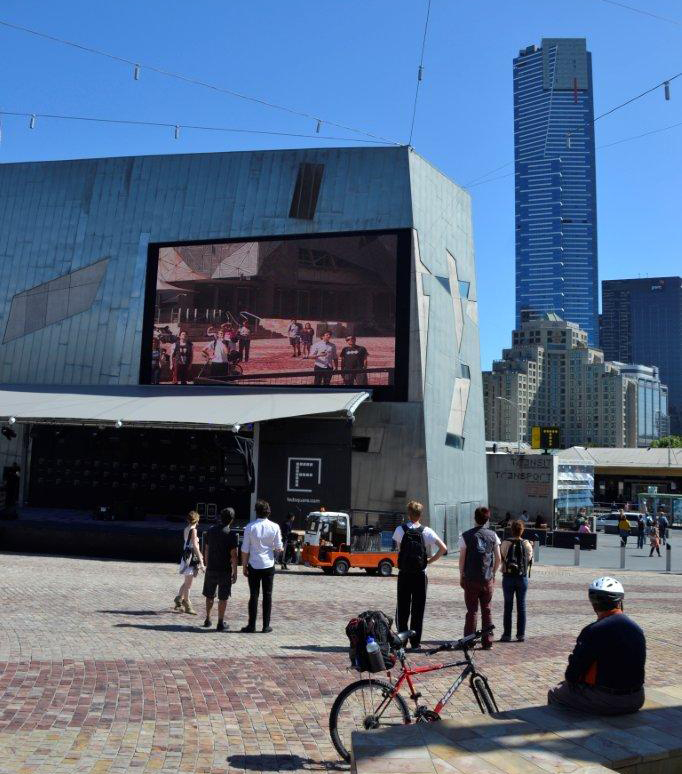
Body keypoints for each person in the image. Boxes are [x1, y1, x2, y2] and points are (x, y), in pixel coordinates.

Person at [548, 577, 646, 715]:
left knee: (555, 692)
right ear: (619, 602)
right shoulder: (636, 628)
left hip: (608, 700)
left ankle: (566, 730)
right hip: (637, 698)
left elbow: (572, 674)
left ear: (594, 604)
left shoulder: (593, 631)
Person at [392, 501, 447, 650]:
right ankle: (415, 643)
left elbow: (398, 549)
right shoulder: (426, 531)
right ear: (420, 515)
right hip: (420, 575)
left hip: (404, 573)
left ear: (409, 514)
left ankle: (402, 641)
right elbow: (443, 548)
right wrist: (429, 561)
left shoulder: (400, 530)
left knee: (403, 608)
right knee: (418, 608)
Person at [459, 507, 501, 650]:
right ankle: (487, 641)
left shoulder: (465, 536)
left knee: (472, 610)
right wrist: (493, 573)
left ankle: (469, 641)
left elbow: (462, 560)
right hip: (487, 579)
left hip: (471, 578)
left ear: (474, 518)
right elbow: (499, 558)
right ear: (487, 519)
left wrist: (462, 575)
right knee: (487, 609)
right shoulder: (493, 536)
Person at [241, 499, 283, 633]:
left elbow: (245, 549)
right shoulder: (275, 527)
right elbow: (278, 548)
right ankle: (266, 625)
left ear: (256, 512)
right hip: (268, 565)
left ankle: (251, 625)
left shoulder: (250, 527)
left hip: (254, 564)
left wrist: (244, 566)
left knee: (253, 595)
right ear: (268, 512)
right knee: (268, 595)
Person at [201, 507, 239, 631]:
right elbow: (234, 555)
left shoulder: (210, 531)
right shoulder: (231, 534)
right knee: (223, 597)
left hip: (211, 567)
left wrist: (207, 563)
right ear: (232, 520)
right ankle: (220, 622)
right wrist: (235, 572)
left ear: (220, 517)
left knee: (209, 595)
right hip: (225, 570)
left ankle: (208, 619)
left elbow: (206, 549)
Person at [500, 520, 533, 643]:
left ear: (511, 530)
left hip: (508, 576)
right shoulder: (527, 544)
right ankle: (521, 634)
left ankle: (507, 634)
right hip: (522, 577)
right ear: (522, 530)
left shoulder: (505, 543)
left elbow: (502, 557)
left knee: (508, 606)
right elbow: (529, 559)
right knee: (521, 606)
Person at [174, 511, 205, 615]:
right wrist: (201, 560)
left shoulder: (186, 529)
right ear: (197, 520)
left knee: (186, 581)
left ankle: (179, 599)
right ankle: (187, 604)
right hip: (191, 558)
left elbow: (187, 543)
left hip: (186, 557)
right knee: (189, 584)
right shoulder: (194, 530)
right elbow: (195, 547)